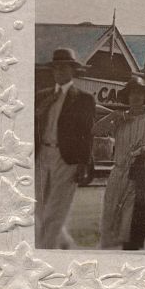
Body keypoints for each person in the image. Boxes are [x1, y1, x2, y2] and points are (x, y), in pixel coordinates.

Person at [95, 77, 145, 249]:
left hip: (143, 174)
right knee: (111, 213)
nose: (136, 97)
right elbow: (96, 130)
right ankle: (110, 254)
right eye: (132, 93)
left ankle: (132, 251)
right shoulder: (119, 118)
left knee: (132, 220)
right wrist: (113, 115)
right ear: (127, 97)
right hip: (119, 171)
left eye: (140, 93)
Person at [34, 48, 95, 249]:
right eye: (56, 67)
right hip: (42, 154)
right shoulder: (41, 96)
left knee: (56, 209)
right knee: (38, 207)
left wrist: (84, 163)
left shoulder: (84, 99)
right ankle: (66, 245)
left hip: (67, 158)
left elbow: (87, 134)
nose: (59, 71)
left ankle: (45, 252)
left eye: (64, 67)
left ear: (72, 70)